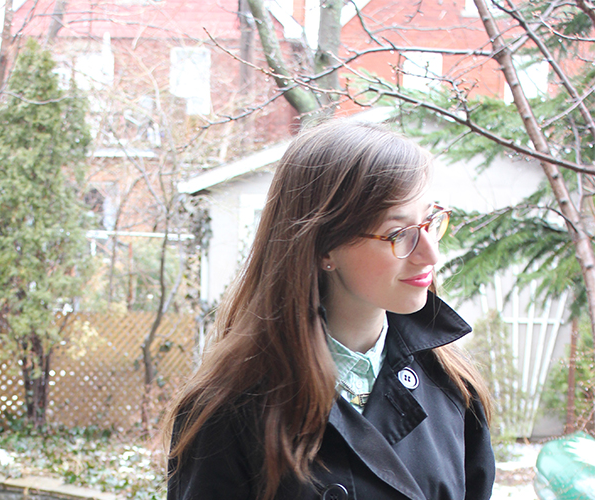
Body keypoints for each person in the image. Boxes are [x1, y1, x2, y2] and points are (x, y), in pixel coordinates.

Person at [165, 120, 495, 500]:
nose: (430, 254)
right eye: (398, 233)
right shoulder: (229, 409)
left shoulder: (452, 386)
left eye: (431, 221)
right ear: (325, 248)